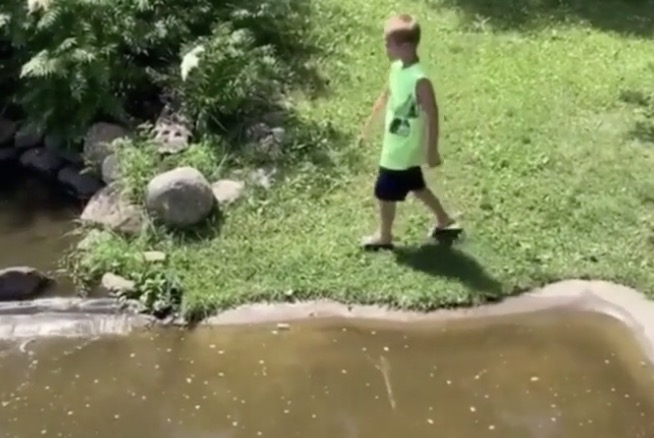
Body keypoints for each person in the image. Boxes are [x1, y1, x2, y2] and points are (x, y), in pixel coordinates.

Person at [359, 13, 461, 250]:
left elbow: (433, 114)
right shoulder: (396, 68)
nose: (385, 48)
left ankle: (384, 237)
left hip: (401, 150)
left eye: (388, 44)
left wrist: (432, 149)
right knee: (416, 185)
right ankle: (444, 220)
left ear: (405, 46)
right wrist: (370, 121)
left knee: (384, 192)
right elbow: (388, 93)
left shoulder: (420, 80)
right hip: (396, 143)